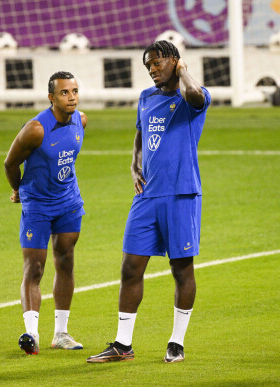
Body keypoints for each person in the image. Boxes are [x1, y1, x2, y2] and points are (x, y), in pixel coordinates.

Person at [86, 40, 210, 364]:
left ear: (174, 61)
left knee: (181, 268)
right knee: (130, 266)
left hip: (181, 194)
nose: (152, 69)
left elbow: (196, 95)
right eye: (148, 65)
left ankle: (176, 342)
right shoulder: (145, 98)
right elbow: (140, 135)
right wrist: (134, 164)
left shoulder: (190, 96)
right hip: (146, 195)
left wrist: (183, 71)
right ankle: (122, 344)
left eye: (156, 63)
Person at [4, 71, 87, 355]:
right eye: (64, 92)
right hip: (37, 205)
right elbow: (10, 164)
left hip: (68, 202)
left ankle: (61, 333)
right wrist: (18, 190)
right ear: (51, 97)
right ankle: (31, 334)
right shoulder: (36, 129)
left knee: (65, 261)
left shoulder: (81, 121)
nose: (71, 96)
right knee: (35, 268)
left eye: (74, 91)